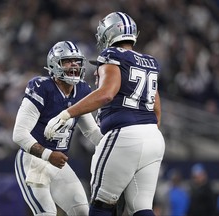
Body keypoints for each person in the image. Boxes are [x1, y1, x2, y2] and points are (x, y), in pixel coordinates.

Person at [44, 12, 166, 216]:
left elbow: (107, 94)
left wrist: (66, 114)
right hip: (154, 138)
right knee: (141, 207)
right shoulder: (148, 61)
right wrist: (145, 134)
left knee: (101, 204)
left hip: (124, 134)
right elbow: (157, 108)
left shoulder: (112, 56)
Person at [12, 40, 103, 216]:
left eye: (77, 61)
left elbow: (91, 131)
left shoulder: (82, 90)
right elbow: (19, 134)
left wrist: (114, 146)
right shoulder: (41, 88)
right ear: (54, 64)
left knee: (83, 212)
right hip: (32, 160)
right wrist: (48, 155)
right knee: (47, 213)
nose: (74, 65)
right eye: (68, 61)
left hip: (58, 163)